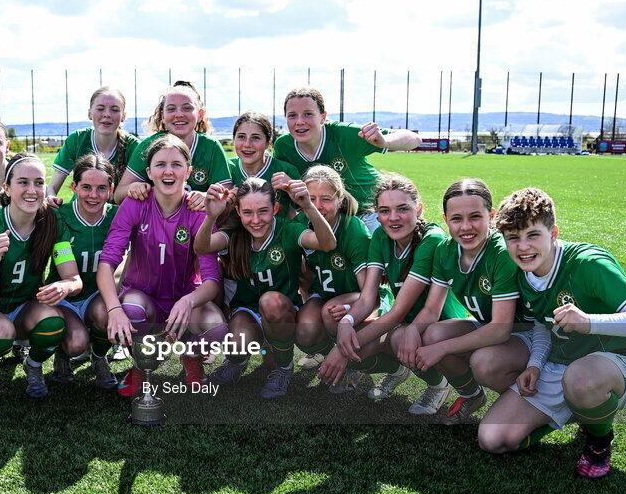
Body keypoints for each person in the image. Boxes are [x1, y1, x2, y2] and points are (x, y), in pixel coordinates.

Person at [479, 188, 626, 478]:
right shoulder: (520, 272)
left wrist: (589, 321)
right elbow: (542, 324)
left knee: (580, 379)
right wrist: (534, 364)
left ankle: (599, 441)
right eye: (513, 238)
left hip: (621, 363)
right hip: (560, 365)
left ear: (553, 233)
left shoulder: (587, 263)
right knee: (492, 440)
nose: (523, 247)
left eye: (533, 235)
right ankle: (578, 411)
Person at [395, 178, 538, 424]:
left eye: (475, 217)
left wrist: (442, 349)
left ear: (491, 215)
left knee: (484, 363)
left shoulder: (502, 253)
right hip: (487, 324)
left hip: (527, 333)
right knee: (430, 334)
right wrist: (412, 331)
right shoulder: (445, 249)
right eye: (456, 219)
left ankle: (533, 405)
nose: (465, 227)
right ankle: (471, 395)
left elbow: (501, 330)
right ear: (445, 219)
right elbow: (431, 308)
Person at [326, 174, 468, 414]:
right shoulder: (381, 236)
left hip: (440, 325)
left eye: (402, 209)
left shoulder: (432, 240)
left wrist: (340, 350)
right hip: (405, 321)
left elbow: (399, 311)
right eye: (384, 211)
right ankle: (396, 370)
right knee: (353, 333)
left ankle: (438, 384)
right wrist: (347, 323)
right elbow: (368, 297)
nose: (393, 218)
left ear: (418, 209)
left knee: (397, 337)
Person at [98, 135, 227, 396]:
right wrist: (113, 309)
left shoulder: (198, 210)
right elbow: (107, 262)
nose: (168, 171)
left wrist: (189, 301)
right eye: (160, 164)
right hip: (144, 296)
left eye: (177, 164)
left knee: (216, 328)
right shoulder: (135, 204)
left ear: (188, 171)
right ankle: (142, 366)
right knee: (130, 308)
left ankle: (190, 356)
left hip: (184, 299)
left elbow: (212, 280)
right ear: (148, 172)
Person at [196, 177, 336, 399]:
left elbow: (327, 244)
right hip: (247, 311)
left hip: (282, 312)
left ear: (275, 209)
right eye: (248, 213)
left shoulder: (288, 230)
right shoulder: (234, 234)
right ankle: (236, 362)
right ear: (239, 212)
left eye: (263, 211)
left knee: (270, 301)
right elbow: (201, 246)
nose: (256, 220)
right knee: (237, 342)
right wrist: (211, 216)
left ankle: (283, 368)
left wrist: (308, 205)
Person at [0, 153, 83, 401]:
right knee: (1, 330)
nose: (32, 190)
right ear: (7, 188)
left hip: (24, 307)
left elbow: (73, 277)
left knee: (53, 322)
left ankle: (34, 365)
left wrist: (65, 285)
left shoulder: (51, 220)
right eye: (23, 182)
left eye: (39, 182)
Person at [273, 87, 421, 232]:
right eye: (292, 115)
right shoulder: (283, 146)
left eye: (308, 114)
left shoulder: (344, 135)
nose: (299, 121)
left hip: (368, 211)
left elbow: (414, 139)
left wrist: (384, 142)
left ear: (323, 117)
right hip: (325, 215)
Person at [288, 165, 373, 391]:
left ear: (340, 200)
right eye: (310, 198)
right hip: (324, 294)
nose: (317, 206)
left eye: (325, 199)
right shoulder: (298, 224)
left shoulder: (354, 229)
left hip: (358, 296)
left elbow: (370, 294)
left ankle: (354, 363)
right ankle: (327, 353)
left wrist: (349, 306)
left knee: (331, 311)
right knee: (305, 331)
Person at [48, 154, 120, 390]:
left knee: (112, 315)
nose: (93, 195)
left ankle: (99, 356)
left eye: (101, 188)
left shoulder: (116, 217)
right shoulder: (59, 216)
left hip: (95, 295)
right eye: (86, 187)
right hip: (64, 298)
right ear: (74, 187)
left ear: (110, 190)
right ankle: (62, 354)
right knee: (76, 343)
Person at [115, 80, 231, 203]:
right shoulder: (149, 146)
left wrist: (207, 197)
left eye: (187, 108)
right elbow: (118, 196)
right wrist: (133, 188)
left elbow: (226, 196)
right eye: (171, 109)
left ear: (200, 114)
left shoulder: (211, 147)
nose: (179, 114)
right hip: (154, 221)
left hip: (198, 222)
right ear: (162, 116)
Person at [47, 87, 140, 200]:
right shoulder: (77, 139)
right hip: (79, 213)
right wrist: (51, 199)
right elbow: (52, 187)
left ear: (123, 116)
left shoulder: (134, 147)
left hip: (117, 215)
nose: (107, 114)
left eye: (114, 110)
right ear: (89, 113)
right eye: (100, 108)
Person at [228, 111, 302, 217]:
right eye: (241, 137)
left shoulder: (286, 171)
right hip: (234, 233)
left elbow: (304, 212)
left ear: (268, 143)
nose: (247, 144)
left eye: (256, 138)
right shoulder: (227, 168)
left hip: (277, 233)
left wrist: (293, 190)